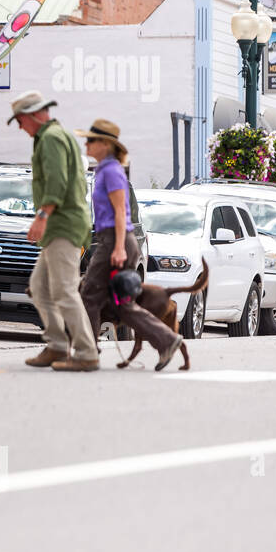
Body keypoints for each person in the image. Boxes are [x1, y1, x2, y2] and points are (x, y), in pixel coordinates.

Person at [75, 119, 184, 371]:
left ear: (105, 144)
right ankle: (167, 340)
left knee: (88, 295)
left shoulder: (111, 171)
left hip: (116, 239)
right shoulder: (104, 169)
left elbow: (120, 210)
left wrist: (119, 247)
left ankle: (88, 351)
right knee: (120, 303)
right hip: (113, 239)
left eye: (91, 140)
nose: (87, 144)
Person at [7, 91, 98, 371]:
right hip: (63, 223)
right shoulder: (57, 135)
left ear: (34, 115)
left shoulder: (50, 139)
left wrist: (42, 216)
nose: (21, 127)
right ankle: (57, 345)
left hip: (62, 223)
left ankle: (86, 352)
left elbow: (57, 181)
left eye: (20, 121)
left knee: (64, 290)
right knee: (40, 286)